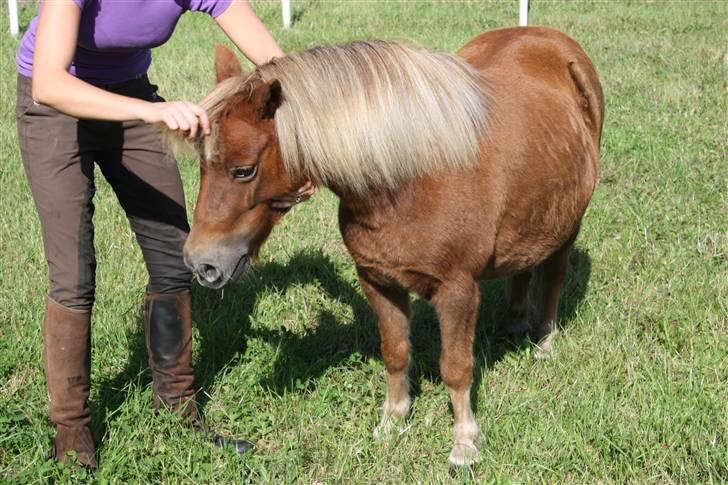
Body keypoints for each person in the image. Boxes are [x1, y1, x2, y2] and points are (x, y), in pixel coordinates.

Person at [16, 0, 313, 469]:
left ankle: (177, 409)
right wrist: (152, 111)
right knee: (73, 273)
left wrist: (306, 149)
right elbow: (51, 83)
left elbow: (283, 72)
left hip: (130, 96)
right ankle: (71, 430)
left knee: (175, 256)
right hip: (55, 109)